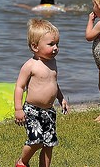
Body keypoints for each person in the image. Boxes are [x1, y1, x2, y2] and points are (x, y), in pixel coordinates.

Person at [14, 19, 69, 167]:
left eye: (57, 44)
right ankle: (22, 162)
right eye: (51, 44)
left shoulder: (53, 62)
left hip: (49, 111)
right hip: (32, 110)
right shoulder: (30, 65)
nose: (56, 48)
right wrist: (18, 109)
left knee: (49, 143)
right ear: (35, 46)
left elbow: (53, 83)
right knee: (36, 140)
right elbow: (19, 87)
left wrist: (61, 98)